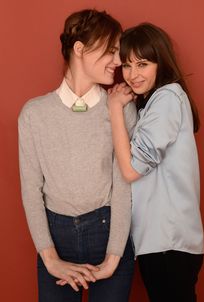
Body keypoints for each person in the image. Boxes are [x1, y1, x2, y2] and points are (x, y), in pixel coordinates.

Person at [18, 9, 137, 302]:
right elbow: (31, 190)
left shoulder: (121, 108)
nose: (119, 61)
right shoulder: (34, 114)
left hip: (110, 236)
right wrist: (50, 259)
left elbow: (124, 186)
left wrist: (113, 257)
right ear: (79, 49)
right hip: (55, 241)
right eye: (111, 50)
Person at [108, 23, 204, 302]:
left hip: (169, 242)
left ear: (160, 63)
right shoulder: (155, 102)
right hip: (163, 242)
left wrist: (114, 109)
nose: (133, 74)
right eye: (127, 65)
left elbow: (130, 169)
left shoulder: (167, 98)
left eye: (142, 64)